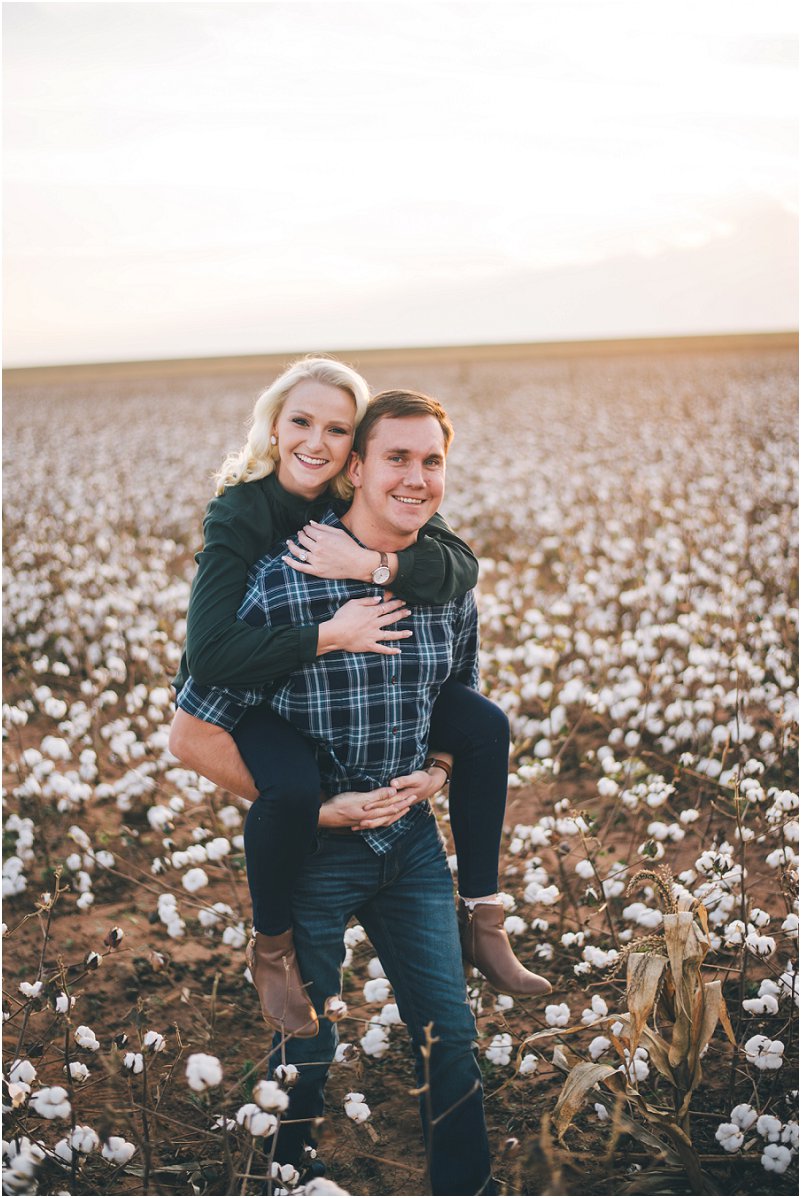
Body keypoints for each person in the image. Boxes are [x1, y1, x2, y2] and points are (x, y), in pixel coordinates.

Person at [178, 391, 530, 1194]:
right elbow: (196, 731)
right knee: (306, 1045)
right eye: (396, 458)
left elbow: (459, 694)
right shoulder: (280, 583)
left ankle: (464, 1189)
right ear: (357, 469)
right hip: (314, 850)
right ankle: (286, 1173)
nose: (416, 477)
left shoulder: (444, 580)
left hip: (409, 845)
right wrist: (311, 808)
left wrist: (440, 769)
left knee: (451, 1037)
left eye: (431, 461)